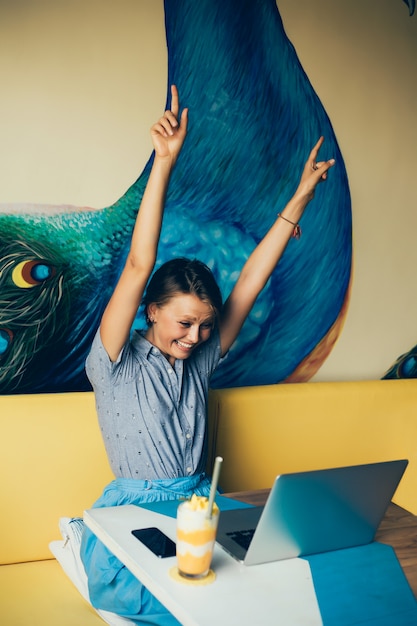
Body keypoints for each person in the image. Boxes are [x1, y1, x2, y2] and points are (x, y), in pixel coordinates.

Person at [80, 85, 335, 624]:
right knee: (168, 598)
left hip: (198, 508)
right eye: (184, 323)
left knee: (266, 586)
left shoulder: (201, 360)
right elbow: (137, 263)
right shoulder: (112, 361)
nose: (196, 337)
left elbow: (248, 283)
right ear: (151, 310)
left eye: (205, 326)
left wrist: (297, 202)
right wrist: (164, 161)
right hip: (135, 513)